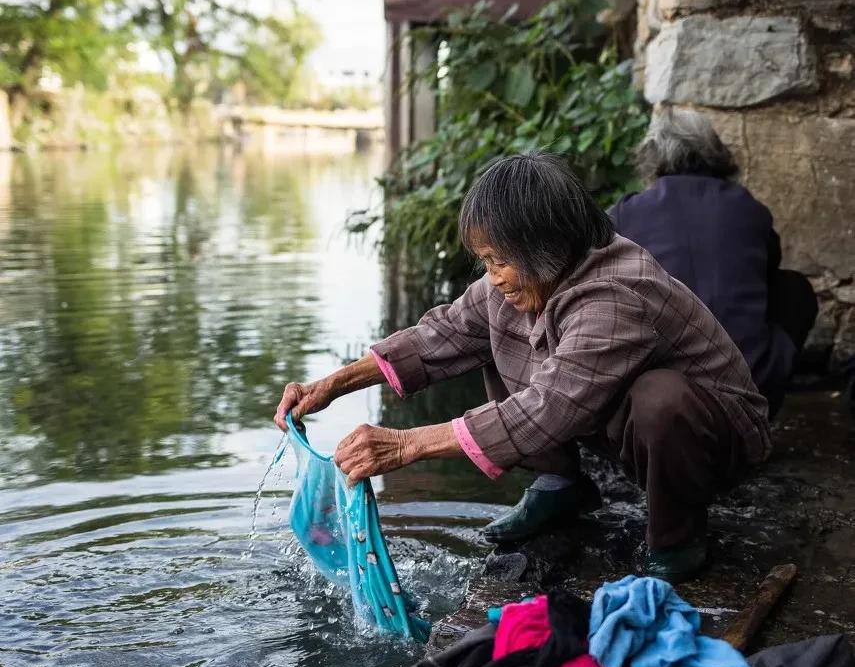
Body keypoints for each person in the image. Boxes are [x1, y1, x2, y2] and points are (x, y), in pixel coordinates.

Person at [275, 154, 771, 584]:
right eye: (485, 260)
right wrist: (331, 385)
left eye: (498, 261)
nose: (492, 278)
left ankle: (677, 536)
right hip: (618, 421)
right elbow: (440, 334)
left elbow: (549, 406)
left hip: (715, 442)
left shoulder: (616, 294)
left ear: (543, 246)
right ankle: (559, 484)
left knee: (659, 398)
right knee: (498, 333)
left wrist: (405, 445)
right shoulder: (526, 279)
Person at [610, 109, 818, 418]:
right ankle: (760, 412)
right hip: (750, 384)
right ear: (715, 152)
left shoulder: (626, 213)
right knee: (793, 288)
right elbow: (769, 269)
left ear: (651, 157)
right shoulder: (749, 208)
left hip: (661, 395)